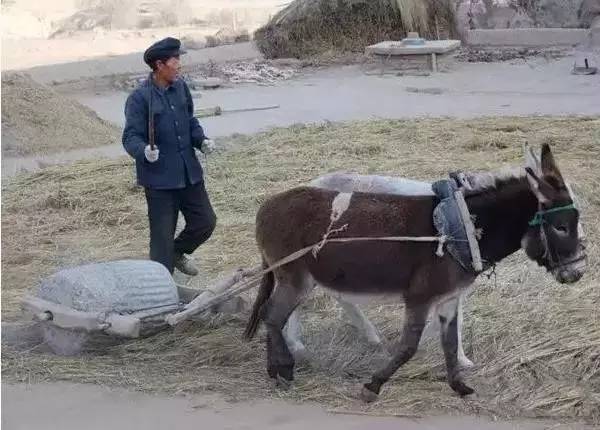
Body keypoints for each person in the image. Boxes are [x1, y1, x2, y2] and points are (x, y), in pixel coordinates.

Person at [122, 37, 216, 276]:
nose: (179, 65)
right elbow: (130, 136)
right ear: (160, 65)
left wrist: (201, 140)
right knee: (161, 239)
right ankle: (163, 292)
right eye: (176, 61)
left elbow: (190, 120)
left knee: (205, 222)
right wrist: (143, 151)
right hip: (159, 181)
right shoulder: (139, 98)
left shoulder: (181, 88)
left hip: (188, 173)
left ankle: (177, 252)